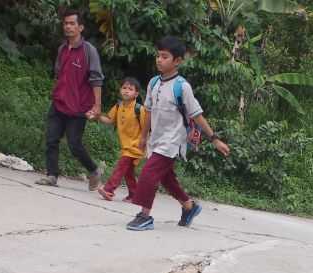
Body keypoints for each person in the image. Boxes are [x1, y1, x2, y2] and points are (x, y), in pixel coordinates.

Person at [126, 36, 230, 231]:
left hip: (173, 141)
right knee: (166, 178)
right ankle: (189, 207)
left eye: (164, 57)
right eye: (158, 56)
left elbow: (197, 115)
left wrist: (214, 139)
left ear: (177, 61)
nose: (159, 60)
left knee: (148, 174)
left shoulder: (182, 87)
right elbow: (148, 110)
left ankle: (144, 216)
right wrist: (142, 137)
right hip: (156, 139)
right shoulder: (153, 83)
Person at [35, 9, 104, 190]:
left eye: (72, 23)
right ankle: (51, 175)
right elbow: (59, 74)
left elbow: (96, 79)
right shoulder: (62, 49)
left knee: (74, 144)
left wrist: (97, 105)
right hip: (59, 102)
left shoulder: (89, 51)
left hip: (79, 106)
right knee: (51, 139)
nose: (68, 27)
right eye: (65, 23)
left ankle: (94, 170)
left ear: (80, 27)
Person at [96, 77, 148, 202]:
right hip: (126, 146)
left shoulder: (139, 109)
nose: (126, 91)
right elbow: (109, 120)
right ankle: (135, 195)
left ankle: (109, 190)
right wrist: (97, 116)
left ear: (136, 94)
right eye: (124, 88)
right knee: (128, 172)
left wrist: (145, 143)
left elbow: (147, 127)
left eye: (130, 89)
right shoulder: (118, 106)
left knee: (121, 166)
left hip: (136, 146)